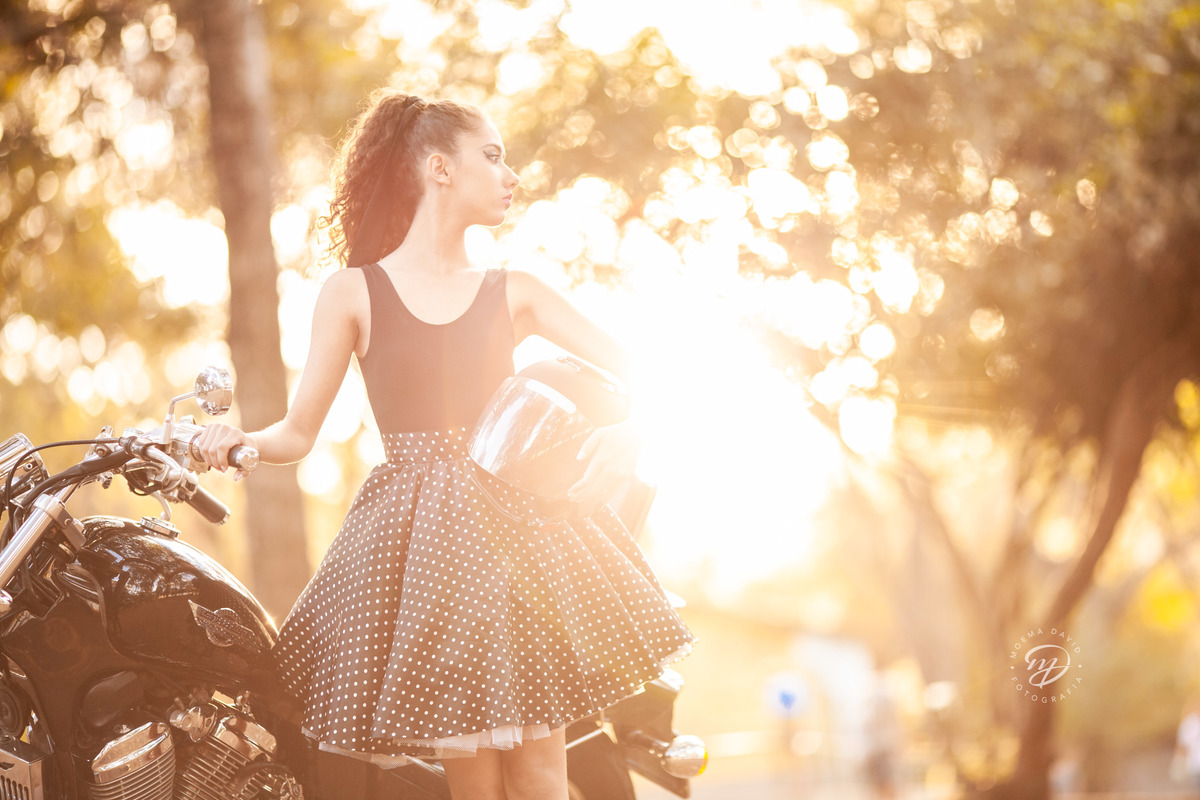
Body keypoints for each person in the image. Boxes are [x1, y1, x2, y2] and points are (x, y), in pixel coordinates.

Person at [193, 90, 694, 800]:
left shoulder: (514, 288)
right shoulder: (353, 293)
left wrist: (628, 431)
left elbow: (642, 372)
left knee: (543, 771)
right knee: (473, 778)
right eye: (492, 156)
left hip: (525, 531)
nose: (510, 173)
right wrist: (238, 438)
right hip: (423, 549)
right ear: (439, 169)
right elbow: (297, 432)